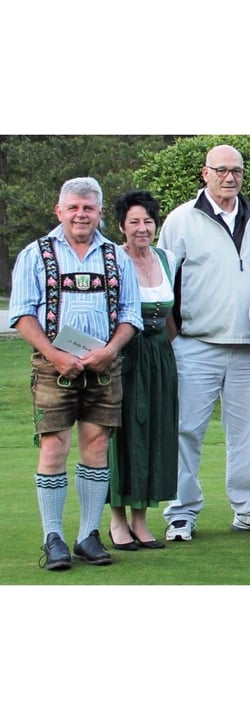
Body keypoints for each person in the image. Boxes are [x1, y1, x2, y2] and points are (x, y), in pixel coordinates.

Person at [9, 176, 142, 570]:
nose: (81, 215)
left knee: (97, 446)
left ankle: (87, 535)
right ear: (59, 211)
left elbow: (130, 314)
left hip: (103, 365)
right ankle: (53, 537)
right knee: (54, 446)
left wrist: (110, 351)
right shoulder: (35, 254)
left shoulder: (117, 257)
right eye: (73, 208)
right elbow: (22, 313)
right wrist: (54, 355)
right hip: (53, 366)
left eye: (88, 208)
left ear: (99, 212)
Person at [159, 144, 250, 542]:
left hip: (249, 345)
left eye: (237, 171)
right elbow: (163, 283)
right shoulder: (181, 220)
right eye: (222, 170)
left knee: (247, 434)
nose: (230, 177)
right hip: (196, 344)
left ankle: (248, 509)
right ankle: (181, 512)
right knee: (186, 430)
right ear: (205, 173)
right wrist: (175, 337)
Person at [107, 190, 178, 551]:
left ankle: (141, 518)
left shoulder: (166, 259)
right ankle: (117, 519)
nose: (142, 228)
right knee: (123, 433)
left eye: (148, 221)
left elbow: (171, 317)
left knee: (154, 433)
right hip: (125, 355)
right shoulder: (112, 260)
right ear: (121, 226)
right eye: (133, 221)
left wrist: (168, 350)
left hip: (160, 357)